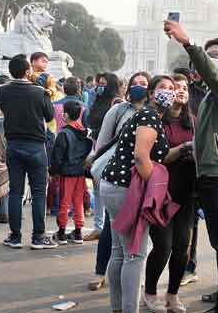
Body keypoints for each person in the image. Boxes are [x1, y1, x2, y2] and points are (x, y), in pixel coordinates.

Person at [164, 19, 218, 313]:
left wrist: (187, 42)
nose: (208, 59)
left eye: (214, 55)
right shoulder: (216, 93)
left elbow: (210, 72)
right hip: (215, 173)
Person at [100, 75, 176, 313]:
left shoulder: (147, 116)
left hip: (114, 186)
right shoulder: (150, 116)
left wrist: (182, 149)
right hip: (126, 189)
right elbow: (142, 157)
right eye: (162, 88)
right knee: (134, 254)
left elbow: (155, 155)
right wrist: (153, 187)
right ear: (151, 93)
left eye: (172, 88)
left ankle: (118, 308)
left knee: (120, 252)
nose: (169, 92)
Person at [86, 71, 150, 291]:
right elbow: (102, 144)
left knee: (139, 236)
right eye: (136, 83)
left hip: (143, 181)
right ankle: (100, 272)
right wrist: (98, 172)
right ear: (128, 87)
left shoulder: (155, 113)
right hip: (116, 180)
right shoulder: (119, 110)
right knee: (112, 235)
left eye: (144, 84)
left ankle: (133, 279)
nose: (139, 87)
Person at [143, 74, 197, 312]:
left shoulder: (194, 122)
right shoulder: (157, 121)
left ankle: (173, 294)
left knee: (182, 247)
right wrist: (184, 148)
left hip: (187, 193)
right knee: (163, 246)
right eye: (176, 88)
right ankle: (150, 292)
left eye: (185, 88)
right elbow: (155, 158)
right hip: (161, 193)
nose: (181, 91)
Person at [0, 54, 57, 250]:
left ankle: (15, 236)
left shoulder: (2, 91)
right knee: (39, 192)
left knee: (15, 192)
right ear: (27, 71)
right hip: (35, 146)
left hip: (13, 144)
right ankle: (38, 237)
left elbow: (5, 111)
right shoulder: (39, 92)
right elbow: (49, 115)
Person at [48, 100, 92, 245]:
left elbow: (57, 157)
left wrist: (52, 171)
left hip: (67, 173)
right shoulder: (85, 133)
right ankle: (78, 232)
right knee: (78, 202)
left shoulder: (64, 134)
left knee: (64, 202)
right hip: (80, 173)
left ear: (65, 114)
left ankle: (61, 232)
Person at [88, 73, 122, 140]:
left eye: (103, 84)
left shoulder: (117, 102)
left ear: (111, 85)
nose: (100, 87)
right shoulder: (99, 99)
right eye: (99, 84)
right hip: (94, 140)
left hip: (107, 142)